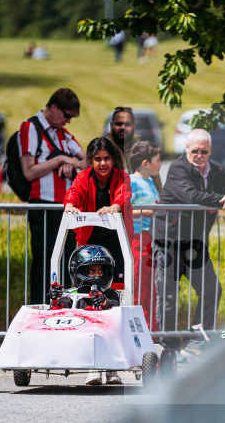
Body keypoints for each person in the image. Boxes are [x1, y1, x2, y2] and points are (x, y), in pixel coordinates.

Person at [153, 129, 225, 361]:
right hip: (169, 241)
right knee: (168, 296)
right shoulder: (177, 168)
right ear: (186, 149)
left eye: (204, 151)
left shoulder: (215, 169)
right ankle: (169, 348)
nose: (199, 155)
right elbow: (192, 196)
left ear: (210, 151)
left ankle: (197, 341)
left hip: (195, 243)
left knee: (211, 290)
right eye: (195, 150)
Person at [20, 87, 85, 305]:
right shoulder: (30, 127)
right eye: (66, 116)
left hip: (65, 207)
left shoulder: (62, 133)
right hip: (43, 206)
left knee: (67, 261)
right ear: (54, 107)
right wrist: (60, 161)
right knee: (44, 260)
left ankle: (64, 308)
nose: (68, 121)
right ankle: (40, 307)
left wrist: (72, 163)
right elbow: (29, 172)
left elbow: (87, 161)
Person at [63, 137, 133, 291]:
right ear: (90, 160)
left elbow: (123, 194)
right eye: (98, 159)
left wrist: (114, 207)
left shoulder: (122, 176)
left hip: (118, 243)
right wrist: (70, 206)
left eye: (107, 158)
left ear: (113, 160)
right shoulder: (83, 176)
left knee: (118, 289)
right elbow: (74, 192)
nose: (103, 163)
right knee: (89, 288)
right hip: (90, 245)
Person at [47, 245, 121, 385]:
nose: (97, 275)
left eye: (100, 271)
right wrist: (55, 299)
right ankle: (93, 370)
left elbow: (115, 306)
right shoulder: (71, 294)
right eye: (92, 271)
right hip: (77, 338)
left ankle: (110, 370)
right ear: (78, 272)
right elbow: (58, 312)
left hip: (106, 339)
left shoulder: (111, 294)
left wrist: (104, 302)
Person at [128, 141, 162, 330]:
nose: (160, 164)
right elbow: (122, 209)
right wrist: (146, 212)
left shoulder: (150, 182)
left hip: (150, 239)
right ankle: (136, 330)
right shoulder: (131, 181)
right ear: (145, 163)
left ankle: (151, 332)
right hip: (137, 238)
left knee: (151, 287)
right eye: (157, 160)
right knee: (138, 285)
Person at [106, 106, 163, 195]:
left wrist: (158, 207)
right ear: (111, 125)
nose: (123, 127)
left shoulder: (145, 151)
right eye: (118, 124)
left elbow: (157, 186)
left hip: (141, 206)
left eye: (127, 124)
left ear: (134, 125)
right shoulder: (102, 149)